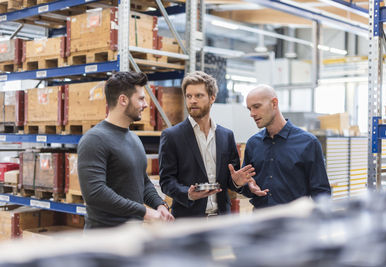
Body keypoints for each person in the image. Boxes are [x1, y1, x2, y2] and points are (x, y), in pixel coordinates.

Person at [78, 71, 174, 229]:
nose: (145, 104)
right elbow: (95, 193)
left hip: (131, 234)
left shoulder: (134, 139)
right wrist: (144, 212)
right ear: (123, 99)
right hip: (105, 239)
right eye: (141, 98)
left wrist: (160, 205)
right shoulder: (94, 139)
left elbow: (142, 182)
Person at [159, 71, 255, 218]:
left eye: (199, 96)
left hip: (221, 220)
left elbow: (231, 179)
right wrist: (188, 194)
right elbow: (166, 181)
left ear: (212, 98)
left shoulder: (226, 136)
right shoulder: (172, 136)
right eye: (189, 96)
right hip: (189, 221)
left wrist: (237, 182)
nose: (193, 101)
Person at [242, 85, 331, 208]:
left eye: (256, 107)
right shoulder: (253, 144)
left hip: (295, 223)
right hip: (262, 222)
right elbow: (246, 186)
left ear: (274, 103)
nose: (252, 114)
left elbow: (321, 193)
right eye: (249, 109)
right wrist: (248, 186)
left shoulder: (308, 143)